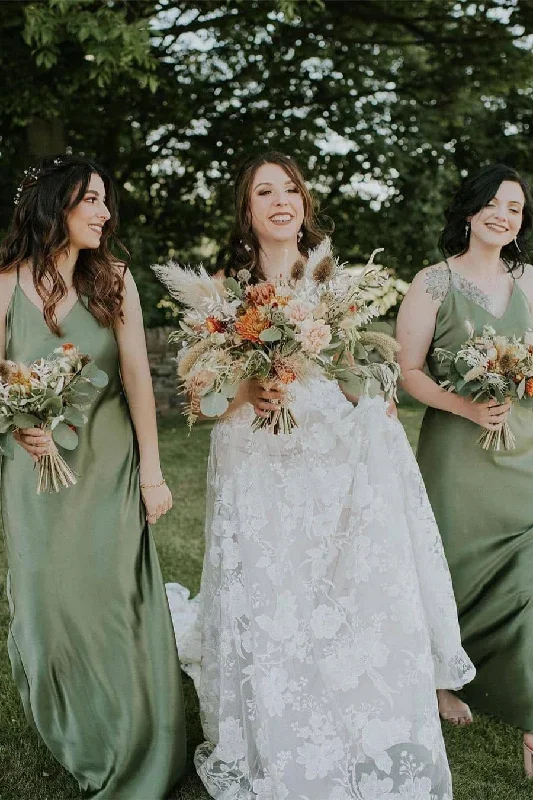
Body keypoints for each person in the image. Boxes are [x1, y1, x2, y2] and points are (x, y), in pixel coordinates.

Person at [166, 151, 475, 800]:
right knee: (273, 580)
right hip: (254, 451)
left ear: (303, 203)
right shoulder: (224, 290)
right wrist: (248, 390)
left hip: (325, 444)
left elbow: (354, 364)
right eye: (264, 192)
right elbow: (199, 397)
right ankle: (273, 705)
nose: (281, 200)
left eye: (290, 190)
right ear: (246, 213)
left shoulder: (329, 280)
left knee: (333, 576)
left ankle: (356, 687)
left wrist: (375, 394)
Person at [0, 155, 186, 798]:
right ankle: (78, 727)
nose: (105, 213)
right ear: (55, 206)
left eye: (106, 201)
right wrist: (18, 424)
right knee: (52, 609)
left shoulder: (116, 281)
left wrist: (154, 474)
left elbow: (137, 380)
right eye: (91, 201)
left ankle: (139, 740)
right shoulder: (3, 285)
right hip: (34, 475)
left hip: (108, 466)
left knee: (116, 605)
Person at [396, 163, 533, 776]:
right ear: (472, 209)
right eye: (497, 204)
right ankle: (444, 679)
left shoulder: (531, 279)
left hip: (525, 446)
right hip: (456, 447)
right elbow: (409, 372)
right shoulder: (432, 282)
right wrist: (467, 404)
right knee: (451, 568)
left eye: (518, 209)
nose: (507, 216)